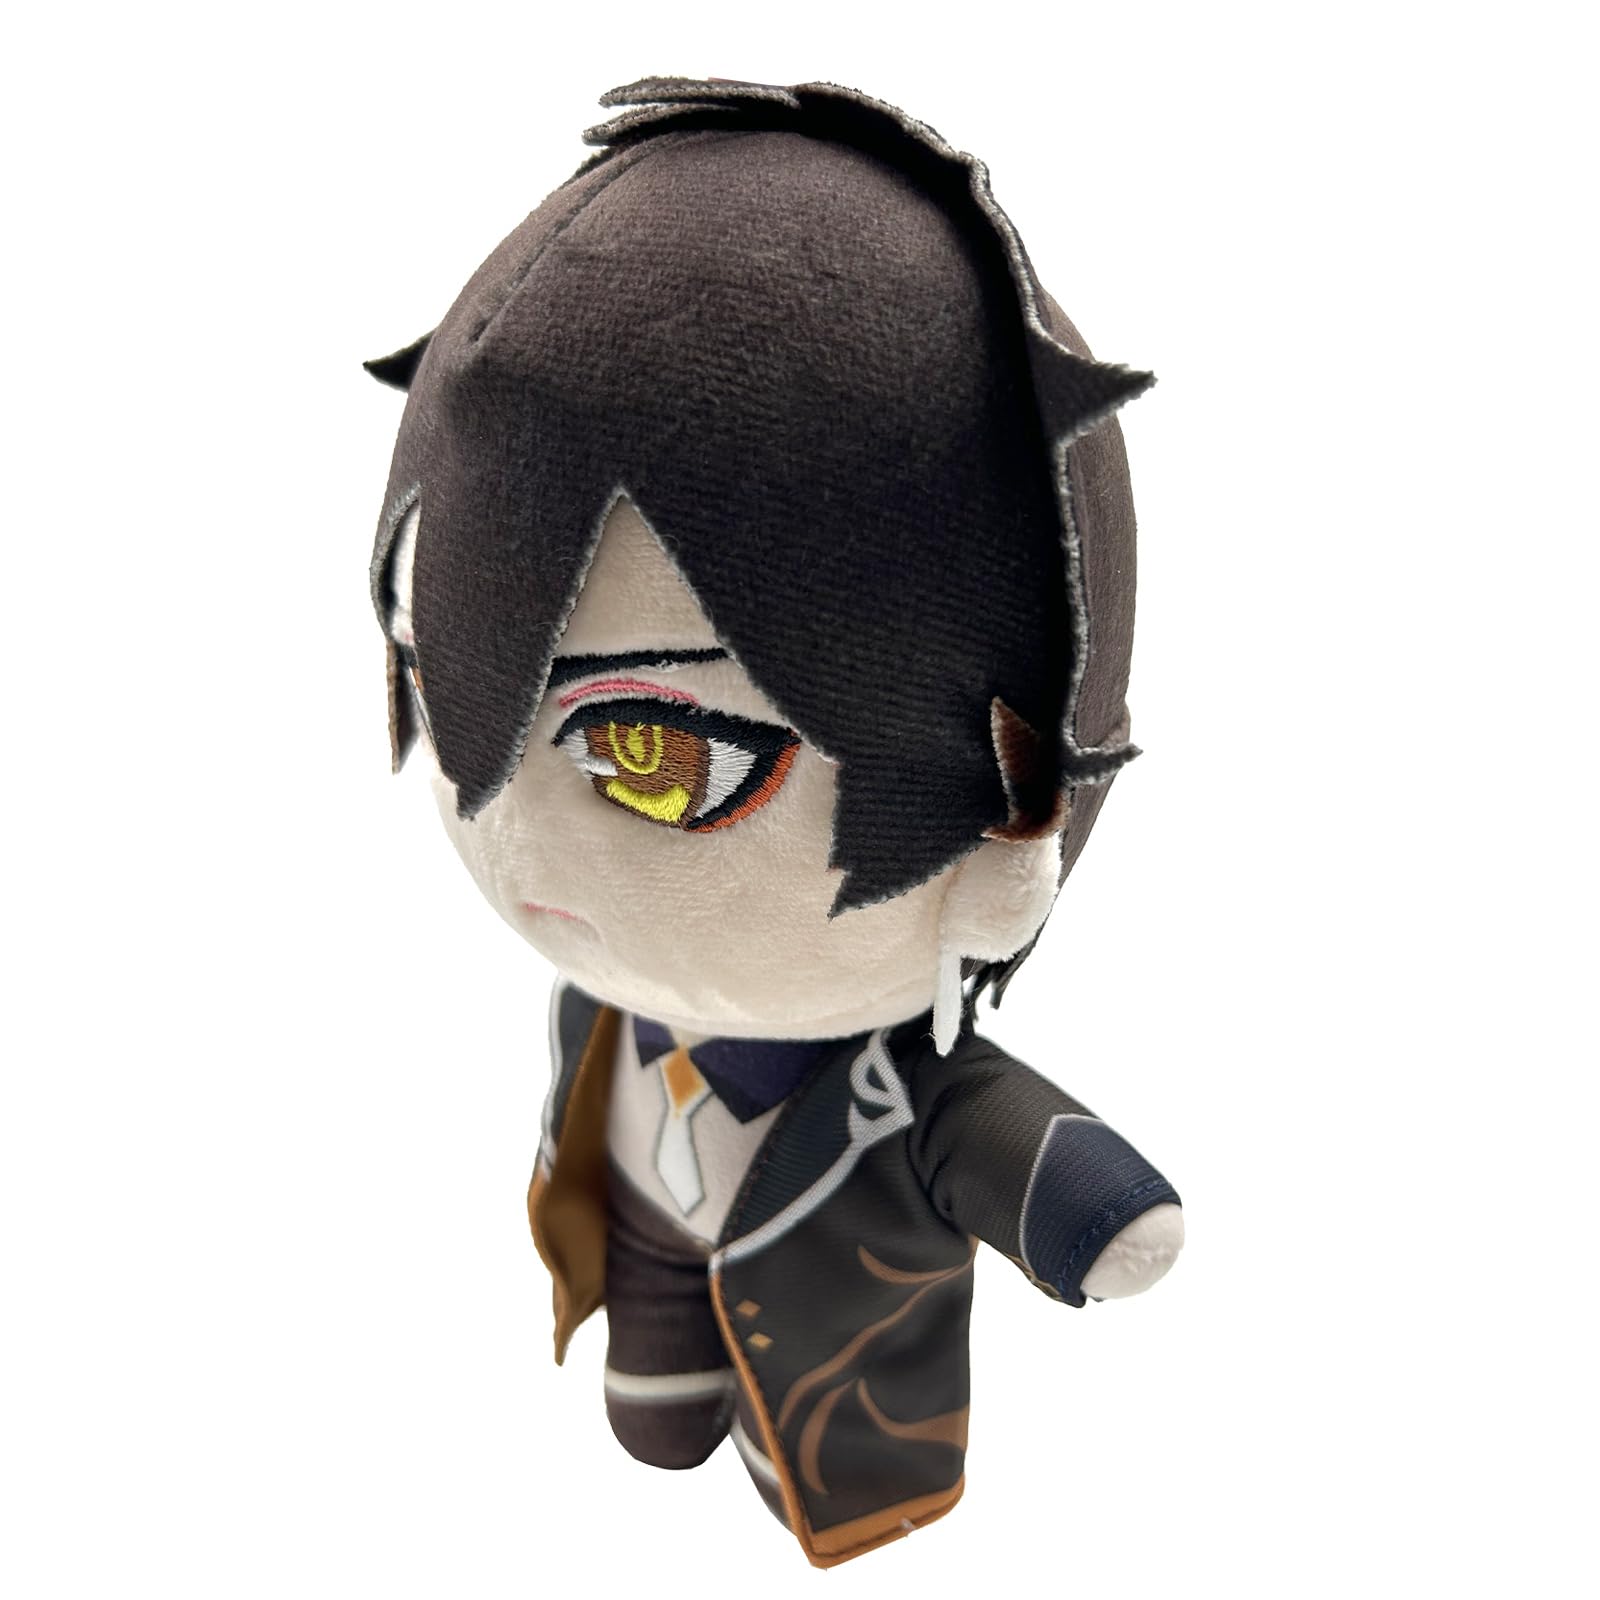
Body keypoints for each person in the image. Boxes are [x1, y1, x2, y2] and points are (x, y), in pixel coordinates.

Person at [366, 75, 1183, 1568]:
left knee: (803, 1477)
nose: (514, 837)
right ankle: (662, 1389)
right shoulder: (597, 1002)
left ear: (1008, 802)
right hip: (650, 1234)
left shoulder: (904, 1082)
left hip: (843, 1372)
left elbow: (1021, 1150)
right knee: (652, 1402)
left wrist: (1092, 1213)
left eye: (656, 753)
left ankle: (786, 1461)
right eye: (437, 677)